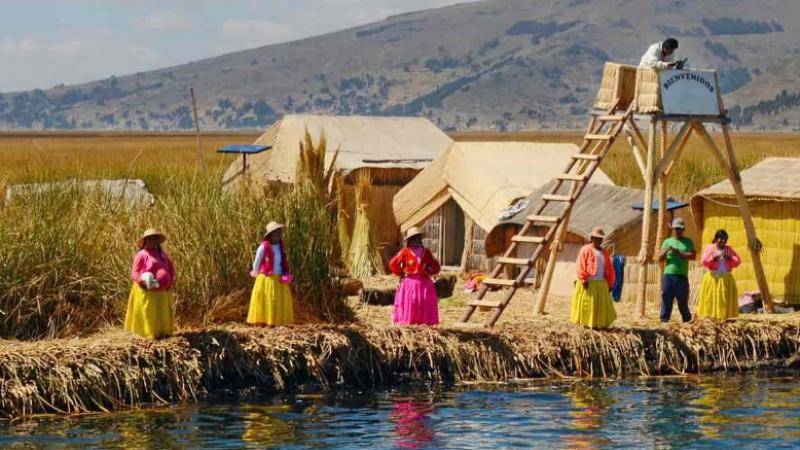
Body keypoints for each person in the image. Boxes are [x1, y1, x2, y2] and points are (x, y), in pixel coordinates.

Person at [125, 228, 175, 339]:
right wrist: (141, 282)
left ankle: (164, 333)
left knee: (163, 312)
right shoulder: (141, 255)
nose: (152, 241)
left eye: (154, 239)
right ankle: (149, 335)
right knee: (148, 313)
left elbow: (171, 269)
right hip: (147, 290)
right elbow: (135, 272)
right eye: (150, 239)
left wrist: (169, 282)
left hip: (162, 291)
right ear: (145, 241)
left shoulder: (163, 255)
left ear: (158, 241)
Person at [389, 227, 441, 325]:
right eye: (414, 238)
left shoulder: (427, 252)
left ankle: (423, 323)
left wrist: (430, 270)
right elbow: (393, 263)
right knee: (410, 303)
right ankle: (409, 323)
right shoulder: (405, 252)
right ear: (410, 240)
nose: (416, 240)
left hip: (424, 283)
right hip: (409, 283)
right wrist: (400, 272)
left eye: (417, 238)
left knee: (423, 302)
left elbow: (436, 266)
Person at [247, 221, 295, 326]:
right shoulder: (264, 247)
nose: (278, 235)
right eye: (275, 232)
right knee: (268, 300)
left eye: (279, 232)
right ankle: (265, 322)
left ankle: (277, 322)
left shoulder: (281, 247)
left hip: (280, 278)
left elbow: (284, 261)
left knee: (277, 301)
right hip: (266, 278)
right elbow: (257, 262)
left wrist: (286, 275)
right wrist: (255, 273)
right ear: (270, 235)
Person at [570, 227, 616, 329]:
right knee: (587, 305)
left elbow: (609, 268)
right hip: (588, 282)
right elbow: (580, 264)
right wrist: (583, 279)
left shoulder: (604, 252)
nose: (598, 240)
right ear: (592, 238)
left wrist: (610, 283)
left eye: (600, 238)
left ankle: (598, 324)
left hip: (601, 283)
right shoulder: (585, 249)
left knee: (600, 306)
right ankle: (586, 325)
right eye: (596, 238)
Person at [697, 229, 741, 320]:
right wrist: (713, 257)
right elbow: (703, 261)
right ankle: (711, 316)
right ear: (716, 239)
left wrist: (729, 258)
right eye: (720, 238)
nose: (722, 241)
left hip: (725, 278)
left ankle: (724, 316)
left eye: (724, 239)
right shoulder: (710, 248)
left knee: (723, 299)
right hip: (713, 278)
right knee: (711, 298)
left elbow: (737, 261)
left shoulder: (729, 249)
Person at [658, 218, 696, 323]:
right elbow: (659, 258)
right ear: (672, 229)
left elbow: (693, 255)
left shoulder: (688, 242)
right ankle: (664, 318)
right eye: (675, 229)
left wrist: (679, 253)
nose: (677, 231)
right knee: (666, 295)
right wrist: (667, 250)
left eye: (679, 229)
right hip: (669, 274)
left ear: (683, 229)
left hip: (682, 275)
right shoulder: (667, 242)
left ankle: (687, 319)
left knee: (682, 298)